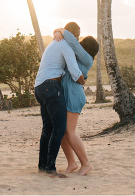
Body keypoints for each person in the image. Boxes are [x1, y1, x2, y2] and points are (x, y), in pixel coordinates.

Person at [34, 22, 85, 178]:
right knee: (59, 127)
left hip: (39, 87)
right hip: (51, 87)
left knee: (48, 128)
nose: (77, 39)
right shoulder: (65, 46)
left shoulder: (54, 43)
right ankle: (50, 168)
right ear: (71, 35)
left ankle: (43, 166)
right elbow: (75, 72)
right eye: (77, 36)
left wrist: (57, 30)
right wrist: (83, 80)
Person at [53, 26, 99, 176]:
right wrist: (57, 32)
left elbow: (73, 43)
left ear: (86, 48)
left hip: (74, 96)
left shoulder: (86, 58)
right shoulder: (78, 57)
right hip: (68, 95)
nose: (78, 42)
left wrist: (61, 30)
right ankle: (72, 163)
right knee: (62, 132)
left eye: (82, 42)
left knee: (69, 132)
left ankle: (86, 163)